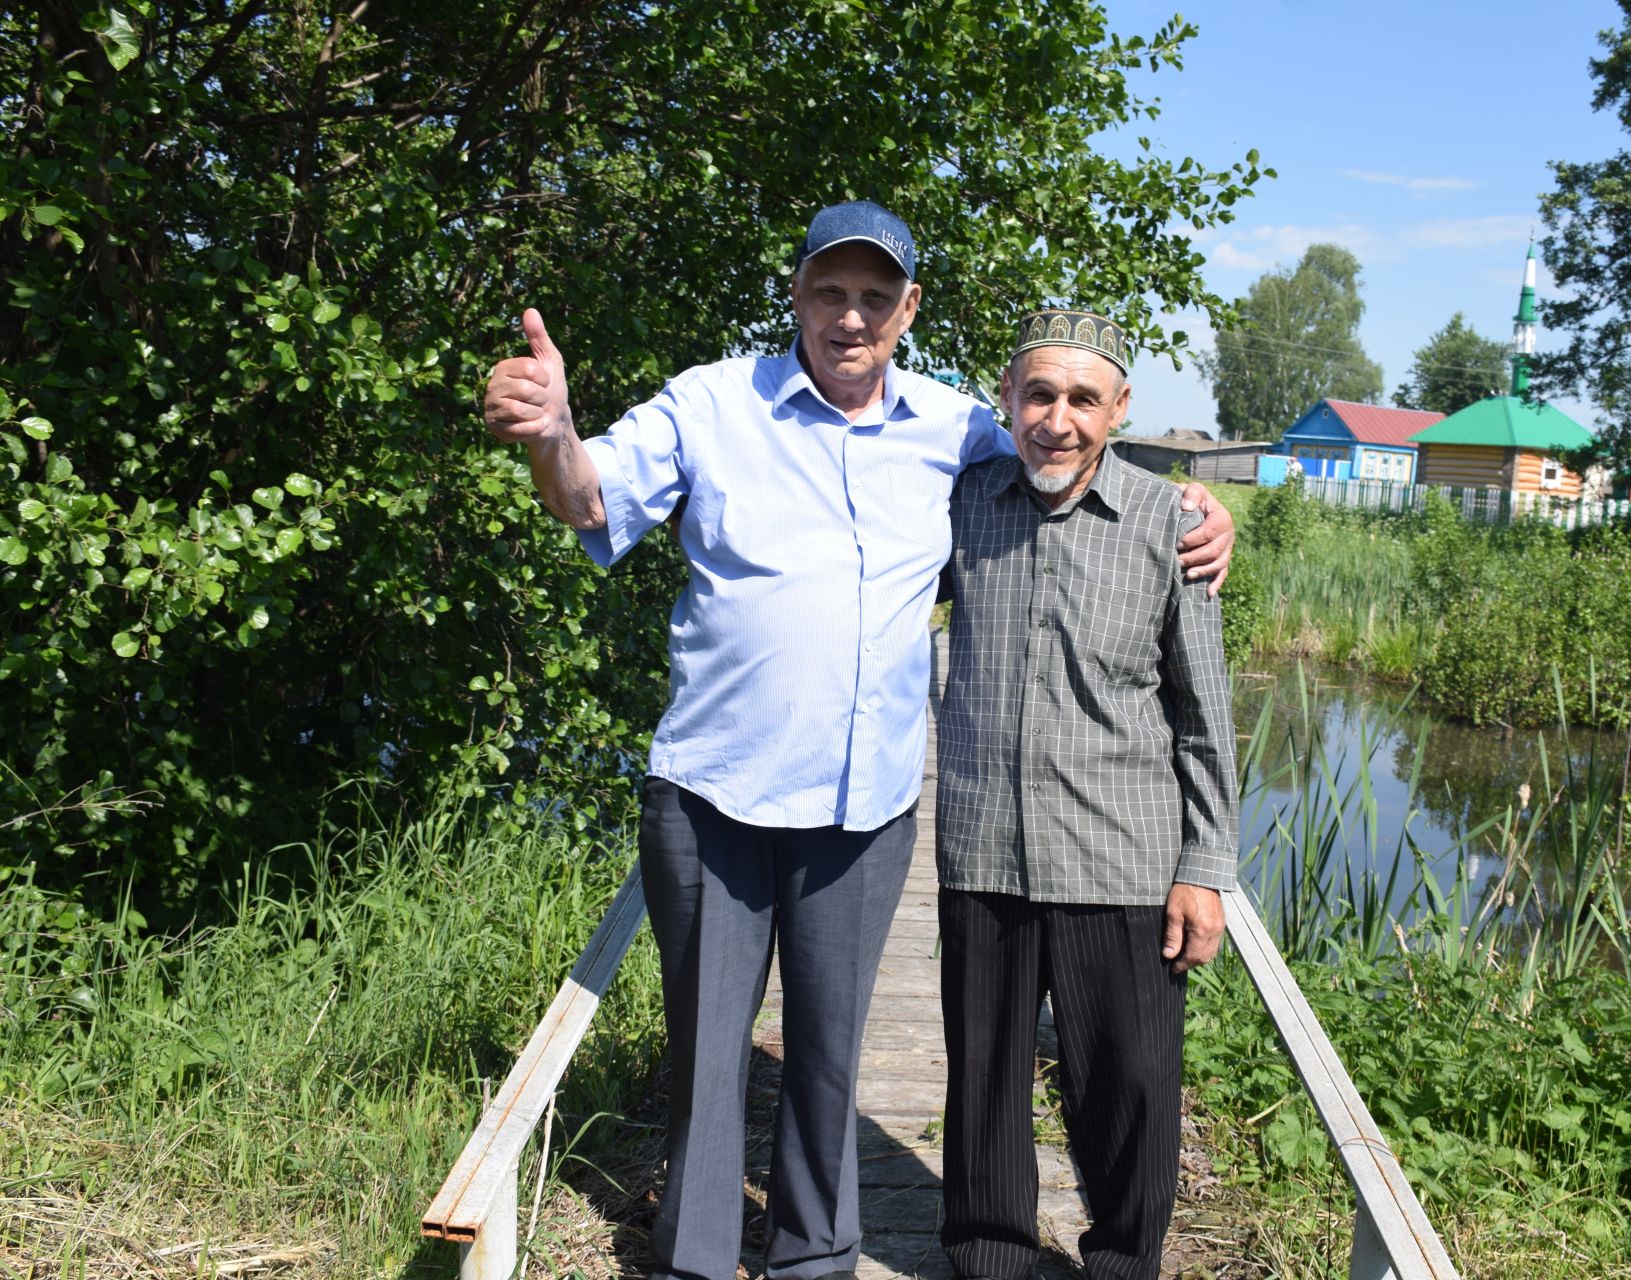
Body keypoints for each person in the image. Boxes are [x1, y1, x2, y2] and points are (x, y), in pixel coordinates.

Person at [480, 203, 1235, 1280]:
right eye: (830, 291)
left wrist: (1196, 513)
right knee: (706, 1049)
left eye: (875, 296)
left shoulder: (957, 428)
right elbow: (591, 502)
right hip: (712, 794)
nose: (850, 315)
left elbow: (1072, 462)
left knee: (831, 1052)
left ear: (907, 309)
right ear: (796, 293)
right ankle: (694, 1255)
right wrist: (553, 429)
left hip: (860, 808)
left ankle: (811, 1256)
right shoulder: (711, 401)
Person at [936, 309, 1239, 1280]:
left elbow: (1203, 713)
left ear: (1117, 408)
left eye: (1080, 397)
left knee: (1131, 1084)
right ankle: (988, 1253)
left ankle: (1119, 1258)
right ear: (1006, 398)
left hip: (1122, 853)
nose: (1056, 419)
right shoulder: (964, 504)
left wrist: (1206, 866)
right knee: (984, 1078)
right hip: (984, 846)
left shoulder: (1172, 523)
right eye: (1038, 393)